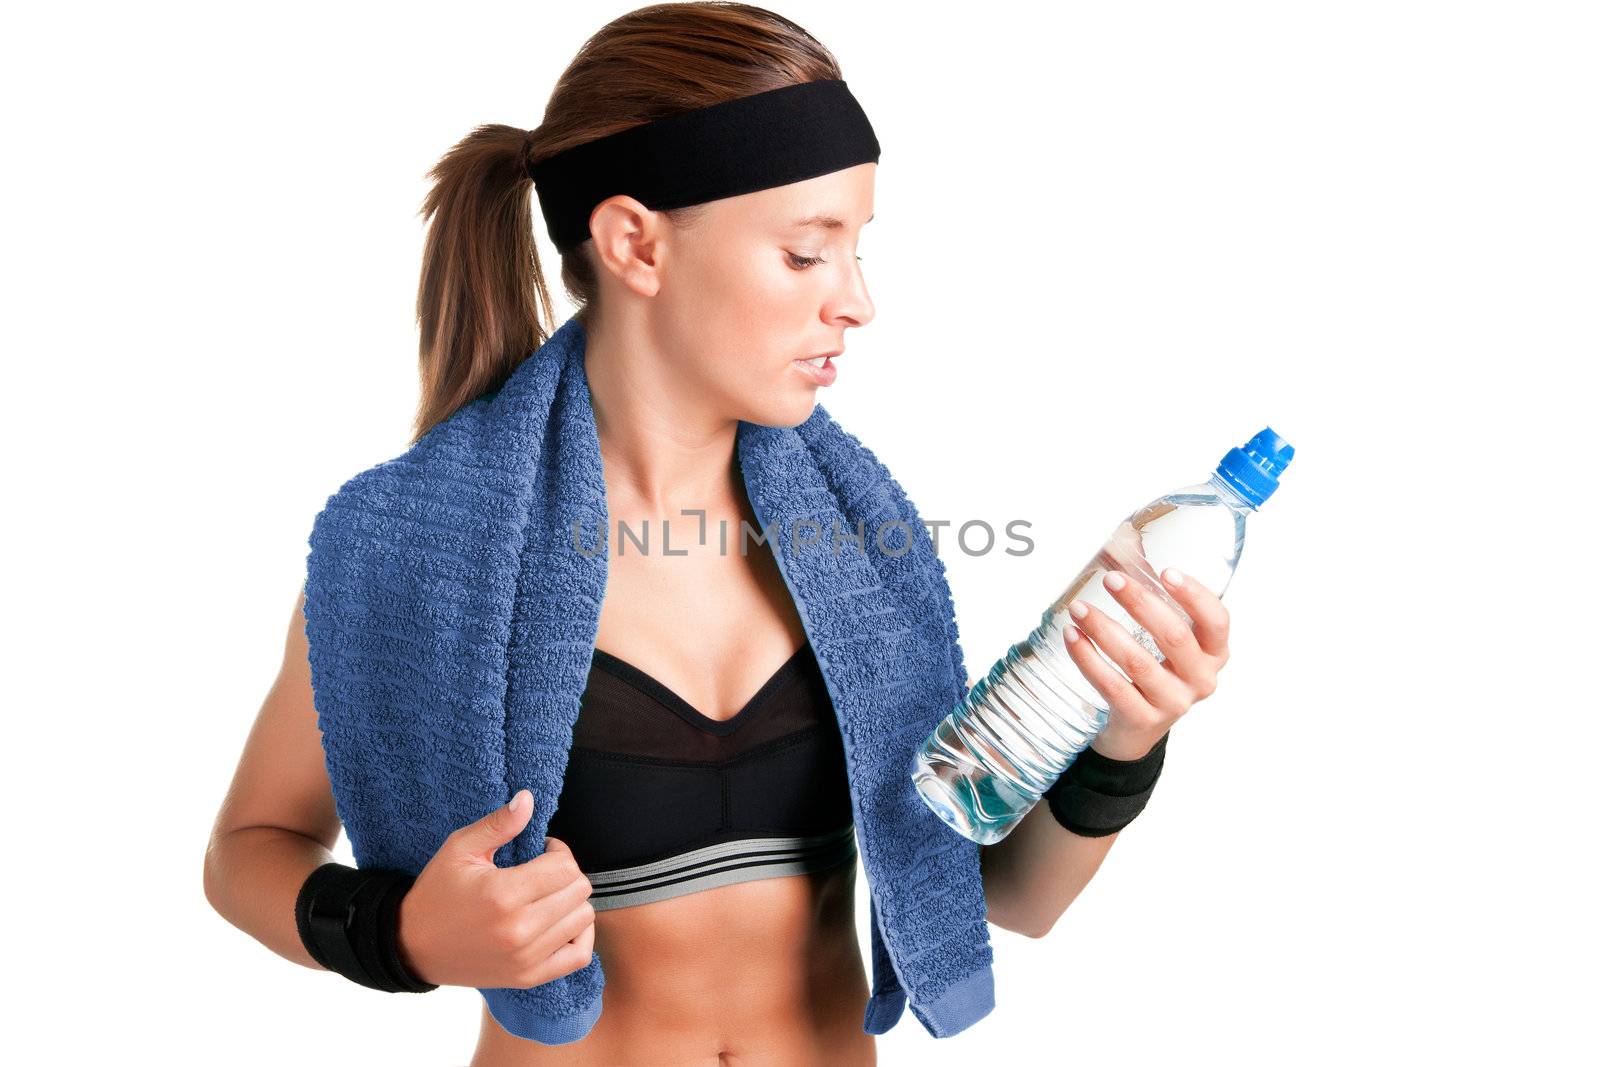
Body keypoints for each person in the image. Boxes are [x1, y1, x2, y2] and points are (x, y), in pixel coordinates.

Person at [202, 4, 1232, 1065]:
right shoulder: (415, 550)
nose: (858, 301)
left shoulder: (860, 548)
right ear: (635, 244)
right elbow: (247, 851)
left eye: (857, 249)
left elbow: (1006, 898)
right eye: (804, 254)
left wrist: (1121, 741)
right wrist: (404, 933)